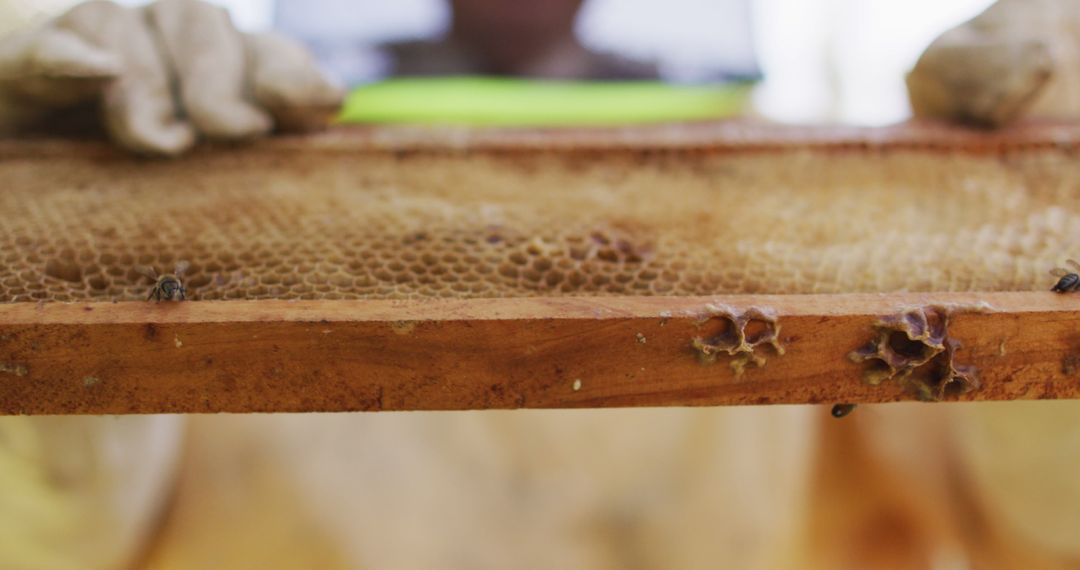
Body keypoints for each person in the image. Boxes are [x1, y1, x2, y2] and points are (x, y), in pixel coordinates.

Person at [1, 0, 1080, 568]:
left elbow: (1038, 530)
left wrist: (1051, 191)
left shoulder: (825, 214)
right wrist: (41, 186)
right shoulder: (207, 186)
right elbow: (54, 539)